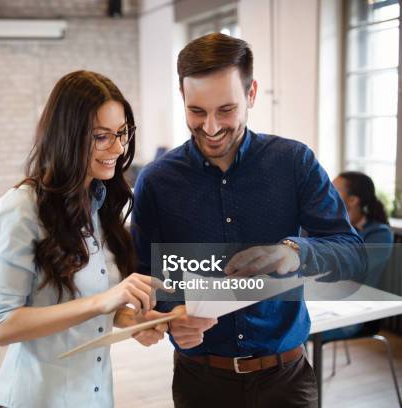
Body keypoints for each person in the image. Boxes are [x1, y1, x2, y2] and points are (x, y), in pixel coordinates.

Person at [132, 33, 366, 407]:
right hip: (200, 382)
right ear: (182, 97)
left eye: (226, 110)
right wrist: (166, 318)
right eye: (197, 111)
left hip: (285, 379)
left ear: (252, 93)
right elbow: (146, 279)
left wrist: (294, 253)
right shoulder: (157, 182)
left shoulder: (294, 162)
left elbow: (352, 252)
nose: (210, 128)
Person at [0, 70, 172, 408]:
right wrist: (105, 302)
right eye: (102, 137)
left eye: (122, 133)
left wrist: (129, 320)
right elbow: (2, 325)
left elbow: (89, 303)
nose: (117, 147)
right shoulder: (22, 208)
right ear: (68, 136)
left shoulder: (101, 205)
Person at [321, 171, 394, 341]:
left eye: (333, 189)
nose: (326, 193)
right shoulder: (331, 226)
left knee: (295, 332)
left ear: (353, 200)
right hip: (325, 303)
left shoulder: (380, 234)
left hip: (355, 314)